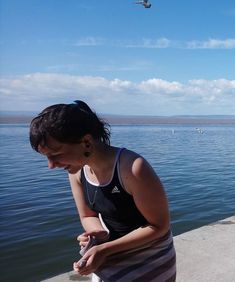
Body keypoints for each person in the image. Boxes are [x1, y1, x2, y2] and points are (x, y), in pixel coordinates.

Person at [29, 100, 176, 281]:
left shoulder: (132, 168)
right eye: (47, 157)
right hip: (109, 257)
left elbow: (159, 226)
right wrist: (98, 234)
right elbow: (87, 216)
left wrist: (105, 249)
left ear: (87, 142)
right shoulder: (76, 171)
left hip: (151, 261)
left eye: (56, 154)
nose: (51, 165)